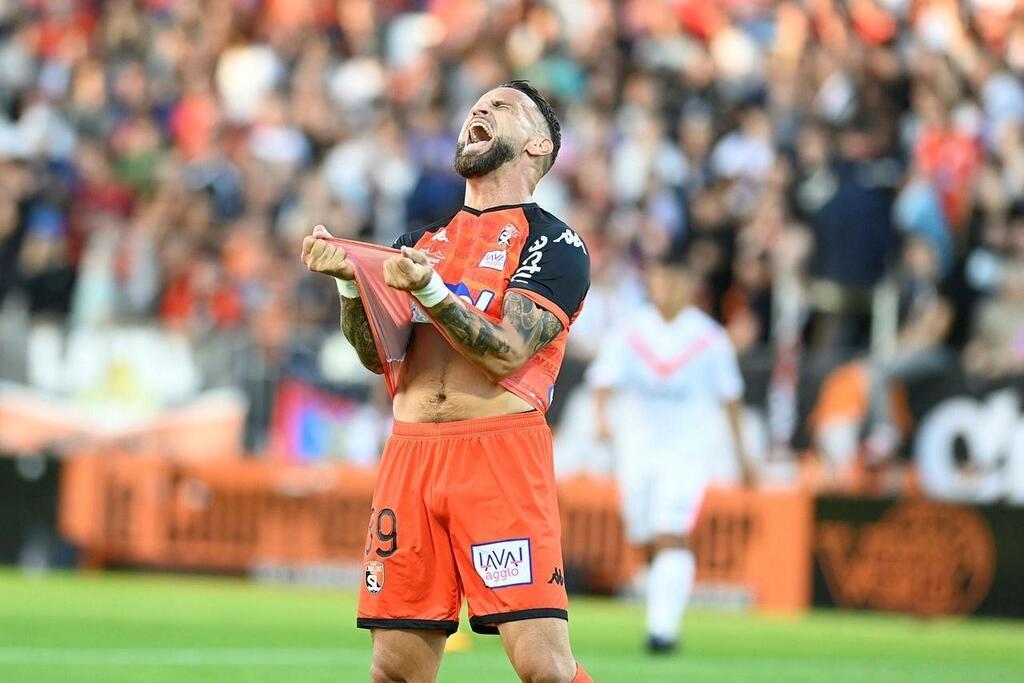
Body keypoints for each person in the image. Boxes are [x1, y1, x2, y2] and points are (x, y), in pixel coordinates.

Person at [301, 81, 593, 683]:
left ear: (538, 144)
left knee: (544, 667)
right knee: (395, 671)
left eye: (501, 106)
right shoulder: (420, 242)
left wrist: (430, 291)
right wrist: (352, 284)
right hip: (410, 460)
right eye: (476, 105)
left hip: (498, 457)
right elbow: (375, 355)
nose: (479, 110)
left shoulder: (554, 243)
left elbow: (507, 351)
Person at [588, 253, 755, 654]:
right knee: (644, 535)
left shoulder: (709, 338)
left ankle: (663, 630)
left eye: (675, 281)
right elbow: (603, 380)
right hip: (638, 450)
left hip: (688, 450)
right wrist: (601, 419)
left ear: (689, 285)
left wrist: (743, 456)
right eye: (660, 280)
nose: (666, 289)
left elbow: (730, 398)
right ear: (651, 283)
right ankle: (661, 604)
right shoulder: (630, 331)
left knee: (671, 532)